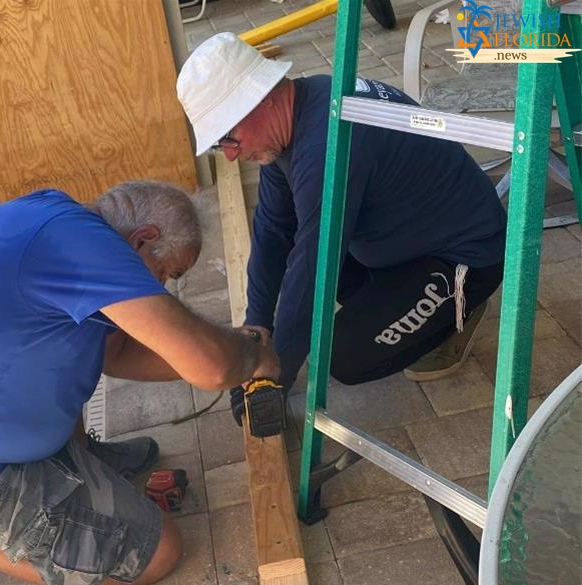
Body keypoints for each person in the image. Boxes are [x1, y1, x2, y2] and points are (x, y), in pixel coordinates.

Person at [0, 181, 279, 585]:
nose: (164, 288)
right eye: (168, 273)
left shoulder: (56, 219)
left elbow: (116, 353)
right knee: (155, 553)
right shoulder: (87, 244)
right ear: (144, 239)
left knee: (76, 347)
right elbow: (212, 366)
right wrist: (249, 357)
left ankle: (78, 462)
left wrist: (231, 350)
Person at [177, 32, 505, 395]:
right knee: (312, 250)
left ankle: (459, 311)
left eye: (229, 137)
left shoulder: (325, 147)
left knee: (345, 357)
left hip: (464, 257)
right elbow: (273, 231)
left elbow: (314, 269)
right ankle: (416, 303)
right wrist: (257, 325)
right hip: (411, 237)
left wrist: (273, 376)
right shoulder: (297, 112)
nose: (231, 155)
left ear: (262, 98)